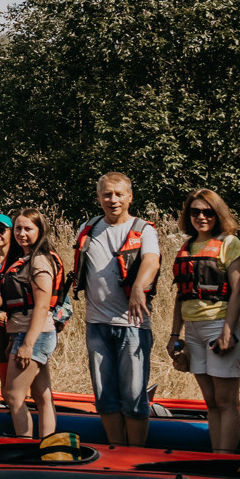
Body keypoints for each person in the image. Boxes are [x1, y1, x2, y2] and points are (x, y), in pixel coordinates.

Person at [70, 172, 161, 445]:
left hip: (132, 325)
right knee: (105, 396)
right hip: (96, 324)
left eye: (119, 194)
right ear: (99, 198)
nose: (113, 200)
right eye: (107, 194)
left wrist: (137, 288)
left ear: (130, 197)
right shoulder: (88, 228)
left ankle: (137, 455)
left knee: (133, 396)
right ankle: (116, 451)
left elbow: (151, 260)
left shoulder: (144, 229)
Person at [158, 189, 240, 454]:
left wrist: (227, 332)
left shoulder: (230, 243)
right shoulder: (186, 247)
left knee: (226, 400)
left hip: (219, 326)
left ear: (217, 213)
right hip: (193, 331)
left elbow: (239, 291)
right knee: (211, 401)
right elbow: (181, 295)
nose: (201, 217)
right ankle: (216, 454)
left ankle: (225, 458)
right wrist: (175, 335)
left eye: (207, 211)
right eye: (195, 212)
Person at [0, 209, 59, 440]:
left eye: (28, 229)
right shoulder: (22, 259)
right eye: (18, 228)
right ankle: (48, 444)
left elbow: (41, 305)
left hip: (34, 334)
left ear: (40, 231)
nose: (21, 233)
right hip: (25, 332)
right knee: (42, 395)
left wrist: (27, 344)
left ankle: (25, 442)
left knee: (13, 395)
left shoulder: (39, 260)